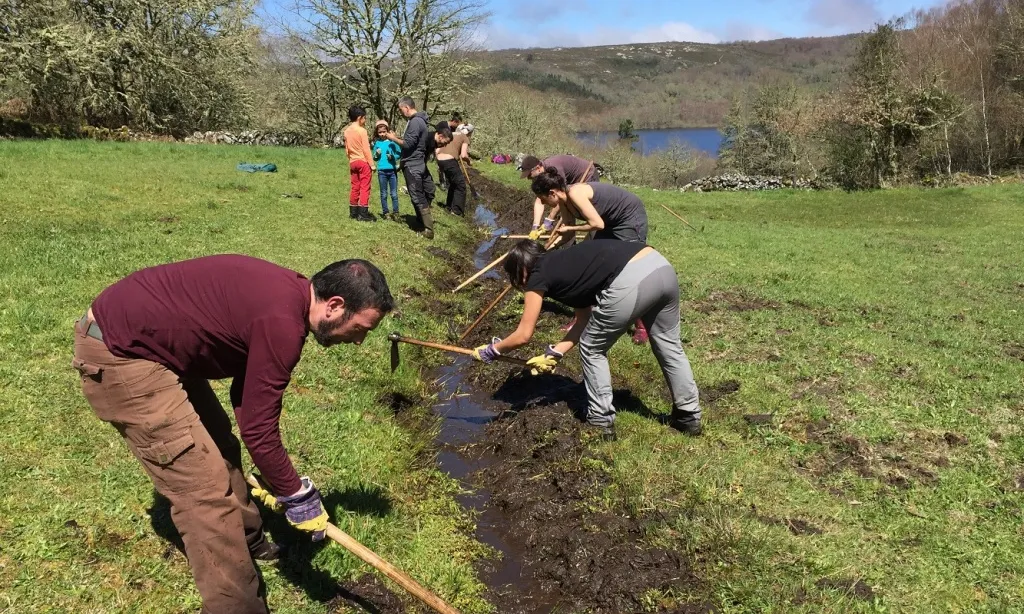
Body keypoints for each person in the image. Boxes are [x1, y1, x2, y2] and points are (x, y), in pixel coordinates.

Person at [72, 255, 394, 614]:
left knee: (220, 444)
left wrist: (286, 487)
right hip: (121, 353)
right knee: (205, 495)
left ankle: (248, 540)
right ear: (335, 306)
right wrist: (294, 493)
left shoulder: (291, 298)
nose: (361, 341)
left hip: (159, 344)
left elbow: (247, 401)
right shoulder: (282, 324)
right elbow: (258, 430)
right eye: (364, 328)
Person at [471, 239, 701, 441]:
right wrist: (555, 354)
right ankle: (688, 416)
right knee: (669, 346)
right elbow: (583, 320)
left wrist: (492, 351)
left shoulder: (536, 274)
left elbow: (523, 335)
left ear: (520, 271)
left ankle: (601, 420)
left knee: (592, 349)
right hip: (660, 266)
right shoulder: (564, 265)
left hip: (631, 277)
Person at [531, 166, 652, 344]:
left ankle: (642, 326)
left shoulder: (576, 194)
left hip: (628, 218)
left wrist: (571, 228)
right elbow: (567, 233)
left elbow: (597, 224)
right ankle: (583, 318)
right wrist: (546, 250)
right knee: (594, 266)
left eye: (543, 199)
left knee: (628, 271)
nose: (544, 204)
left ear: (552, 193)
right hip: (609, 221)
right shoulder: (563, 202)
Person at [386, 97, 435, 239]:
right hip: (419, 162)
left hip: (413, 164)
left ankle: (427, 229)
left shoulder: (414, 122)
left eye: (401, 110)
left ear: (407, 108)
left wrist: (392, 138)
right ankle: (422, 220)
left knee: (416, 195)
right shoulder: (422, 121)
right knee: (421, 193)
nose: (401, 113)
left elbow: (408, 144)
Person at [519, 154, 599, 238]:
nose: (529, 178)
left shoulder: (555, 169)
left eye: (529, 175)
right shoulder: (541, 175)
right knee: (567, 209)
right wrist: (535, 226)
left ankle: (593, 239)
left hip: (587, 175)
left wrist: (549, 220)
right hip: (570, 183)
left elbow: (560, 196)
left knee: (586, 210)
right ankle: (568, 243)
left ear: (538, 168)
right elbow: (540, 198)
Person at [343, 106, 375, 222]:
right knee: (365, 188)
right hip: (363, 162)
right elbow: (366, 149)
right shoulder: (362, 131)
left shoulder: (346, 131)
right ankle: (363, 214)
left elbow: (347, 149)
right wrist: (372, 164)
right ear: (359, 118)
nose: (365, 120)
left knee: (354, 187)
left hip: (353, 162)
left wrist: (351, 158)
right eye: (364, 118)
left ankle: (353, 213)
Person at [433, 121, 471, 217]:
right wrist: (469, 161)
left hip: (440, 159)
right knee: (461, 186)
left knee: (453, 184)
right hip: (449, 160)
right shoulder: (464, 137)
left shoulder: (451, 133)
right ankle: (457, 212)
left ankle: (449, 206)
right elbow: (463, 155)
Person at [372, 119, 402, 221]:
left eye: (384, 132)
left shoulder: (392, 142)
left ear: (387, 131)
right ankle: (386, 212)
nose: (382, 134)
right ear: (377, 133)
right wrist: (377, 154)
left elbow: (399, 154)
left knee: (393, 193)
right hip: (382, 171)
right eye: (380, 132)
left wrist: (392, 157)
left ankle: (396, 212)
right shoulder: (377, 143)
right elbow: (375, 158)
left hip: (392, 171)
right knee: (383, 193)